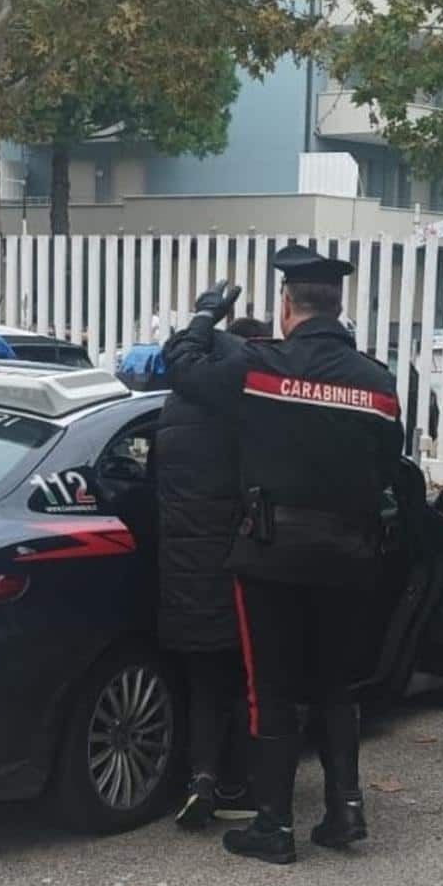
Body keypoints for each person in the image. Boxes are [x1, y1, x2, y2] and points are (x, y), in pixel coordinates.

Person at [163, 245, 404, 865]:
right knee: (336, 685)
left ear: (286, 305)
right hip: (351, 557)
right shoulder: (377, 382)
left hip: (272, 557)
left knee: (270, 688)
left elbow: (182, 368)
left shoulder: (258, 369)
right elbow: (388, 468)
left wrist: (205, 316)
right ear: (337, 304)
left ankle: (274, 825)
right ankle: (345, 810)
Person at [156, 317, 272, 829]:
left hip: (180, 574)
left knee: (204, 681)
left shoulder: (171, 411)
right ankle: (238, 785)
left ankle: (199, 778)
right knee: (250, 681)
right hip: (238, 571)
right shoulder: (246, 412)